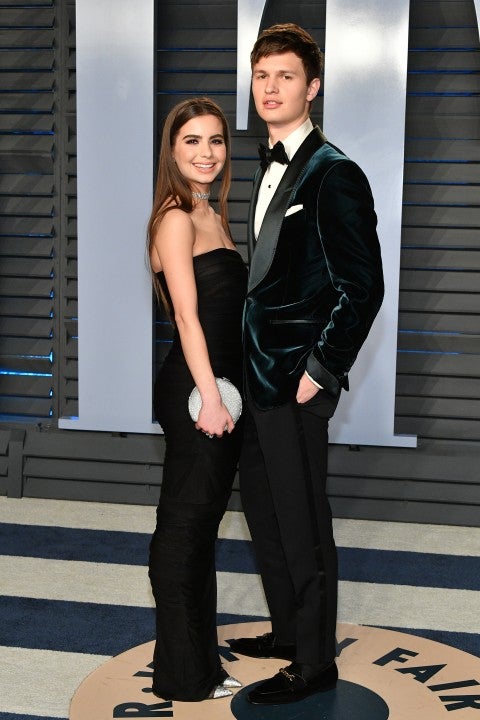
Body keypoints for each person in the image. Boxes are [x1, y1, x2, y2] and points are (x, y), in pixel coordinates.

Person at [227, 24, 384, 705]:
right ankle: (288, 631)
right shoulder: (268, 165)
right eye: (262, 75)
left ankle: (315, 662)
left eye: (285, 76)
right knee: (265, 511)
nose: (270, 88)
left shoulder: (333, 172)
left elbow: (363, 287)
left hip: (296, 380)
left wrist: (321, 369)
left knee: (304, 521)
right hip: (258, 377)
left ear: (312, 87)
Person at [147, 97, 247, 702]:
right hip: (197, 391)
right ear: (172, 150)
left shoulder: (211, 212)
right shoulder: (176, 218)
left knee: (202, 526)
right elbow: (187, 318)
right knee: (183, 528)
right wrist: (211, 398)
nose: (206, 152)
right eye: (192, 140)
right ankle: (182, 676)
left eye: (215, 140)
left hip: (221, 389)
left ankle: (199, 663)